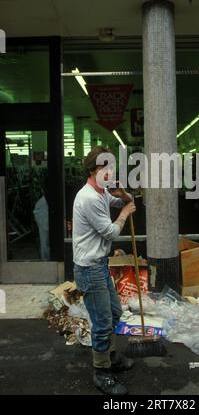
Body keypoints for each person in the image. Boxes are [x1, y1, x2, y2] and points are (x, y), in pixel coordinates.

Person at [72, 146, 136, 396]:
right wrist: (124, 213)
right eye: (103, 168)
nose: (109, 172)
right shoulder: (88, 197)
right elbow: (110, 231)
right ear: (92, 170)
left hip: (99, 264)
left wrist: (124, 196)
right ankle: (102, 373)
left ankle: (109, 356)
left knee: (114, 313)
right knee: (101, 323)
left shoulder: (101, 192)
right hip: (89, 268)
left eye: (111, 167)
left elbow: (123, 200)